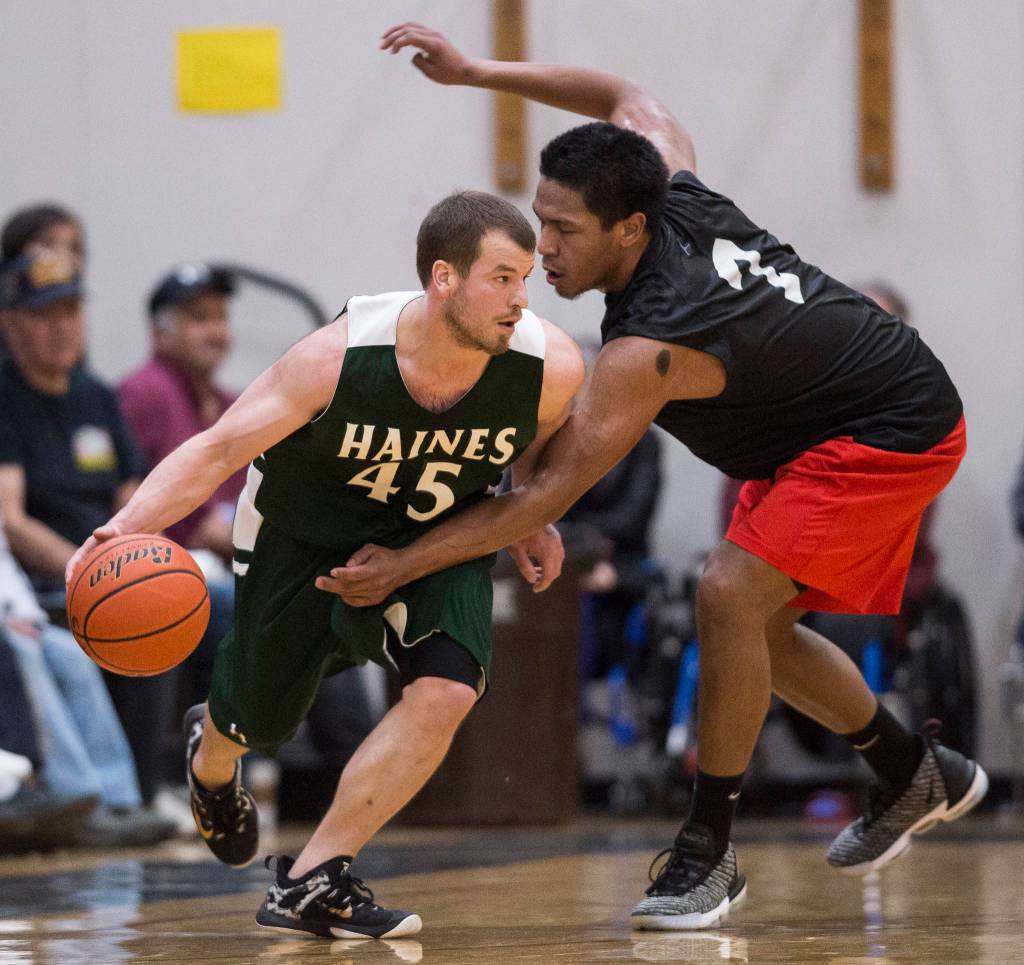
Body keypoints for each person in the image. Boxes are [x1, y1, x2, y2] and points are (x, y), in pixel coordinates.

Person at [325, 24, 988, 931]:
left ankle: (707, 853)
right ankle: (915, 770)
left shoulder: (647, 348)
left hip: (891, 425)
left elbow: (547, 496)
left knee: (727, 593)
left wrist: (398, 563)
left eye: (563, 231)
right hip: (822, 419)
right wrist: (477, 72)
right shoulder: (666, 181)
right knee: (754, 629)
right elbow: (623, 96)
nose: (542, 247)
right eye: (539, 218)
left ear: (629, 229)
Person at [67, 191, 584, 939]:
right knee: (262, 716)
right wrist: (119, 528)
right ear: (444, 278)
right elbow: (217, 448)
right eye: (501, 278)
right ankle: (212, 753)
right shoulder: (337, 357)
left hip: (436, 531)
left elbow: (538, 435)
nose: (520, 299)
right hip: (305, 538)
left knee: (446, 687)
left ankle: (314, 875)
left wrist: (532, 508)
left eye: (526, 278)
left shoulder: (550, 362)